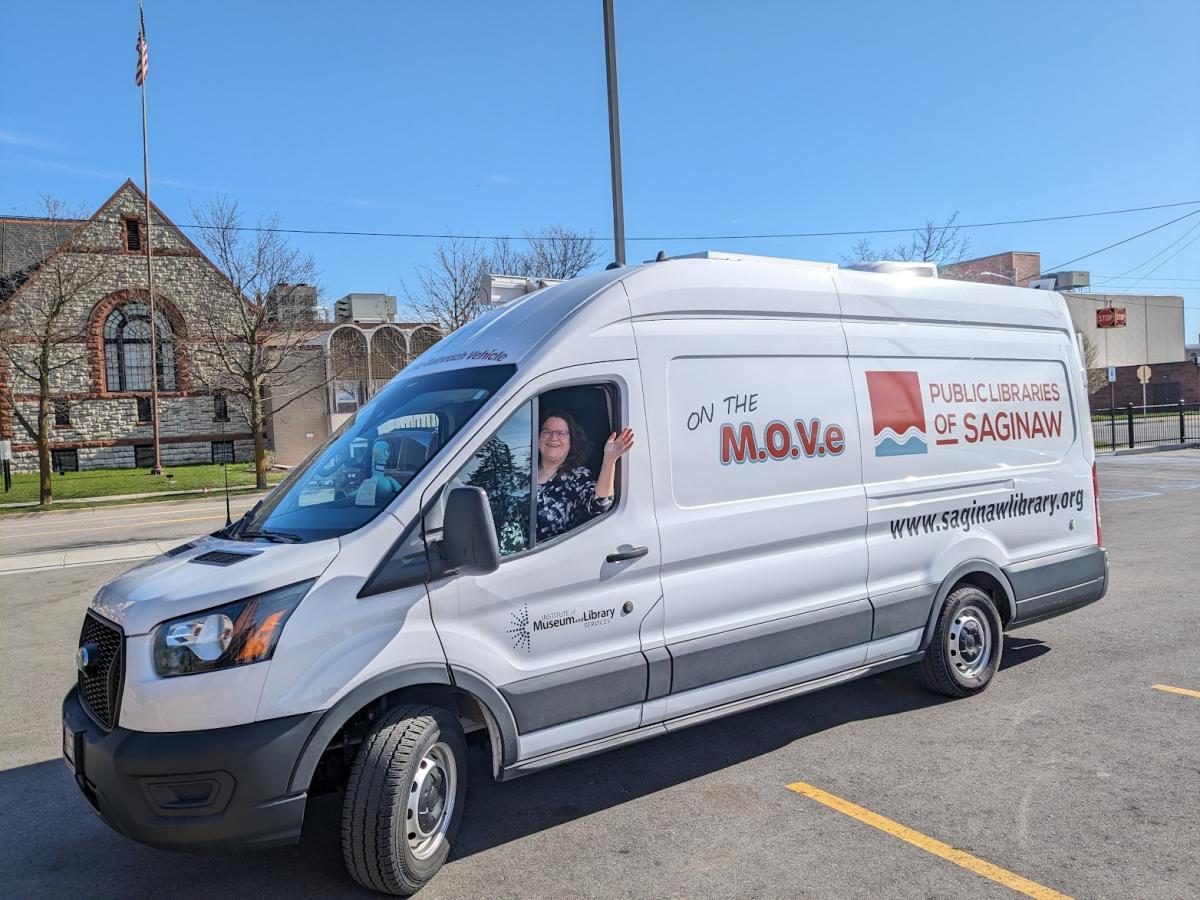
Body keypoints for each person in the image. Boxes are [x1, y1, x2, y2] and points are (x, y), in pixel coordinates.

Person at [537, 410, 634, 542]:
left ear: (571, 441)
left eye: (561, 433)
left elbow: (600, 504)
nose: (553, 437)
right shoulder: (523, 471)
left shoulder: (577, 477)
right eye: (547, 431)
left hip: (544, 557)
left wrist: (610, 459)